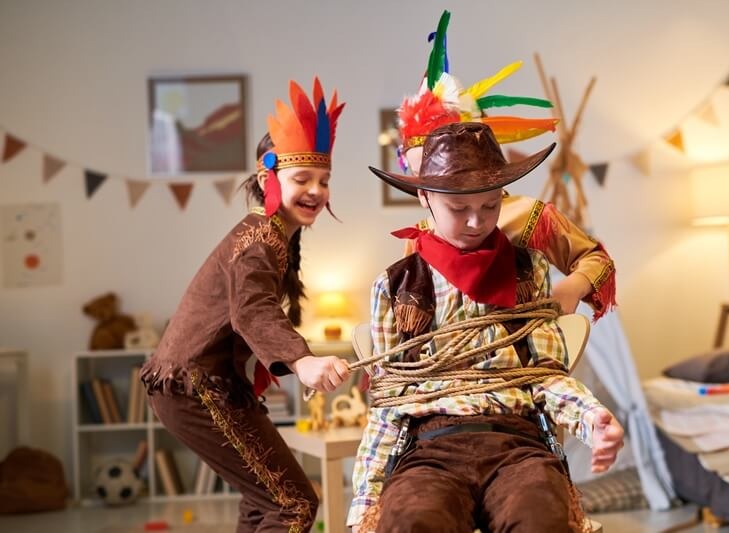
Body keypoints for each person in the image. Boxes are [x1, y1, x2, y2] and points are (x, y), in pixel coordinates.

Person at [348, 122, 624, 532]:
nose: (477, 221)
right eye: (459, 209)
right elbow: (389, 401)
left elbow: (545, 376)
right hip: (430, 448)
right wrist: (366, 503)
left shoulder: (527, 271)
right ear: (425, 198)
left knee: (539, 519)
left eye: (490, 206)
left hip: (516, 444)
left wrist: (593, 419)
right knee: (412, 520)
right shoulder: (395, 285)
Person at [141, 78, 350, 533]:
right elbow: (252, 311)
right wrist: (302, 360)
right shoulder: (259, 239)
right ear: (267, 179)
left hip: (211, 382)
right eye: (302, 179)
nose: (315, 190)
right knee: (292, 505)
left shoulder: (274, 237)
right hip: (196, 385)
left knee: (263, 504)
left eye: (324, 180)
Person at [395, 10, 616, 320]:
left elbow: (595, 258)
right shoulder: (421, 236)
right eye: (422, 176)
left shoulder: (527, 216)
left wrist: (573, 286)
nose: (475, 220)